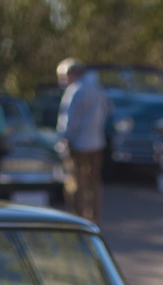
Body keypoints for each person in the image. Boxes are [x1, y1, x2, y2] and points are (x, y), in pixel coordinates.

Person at [56, 57, 111, 223]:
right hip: (97, 143)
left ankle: (78, 217)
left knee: (76, 181)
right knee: (94, 182)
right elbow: (108, 111)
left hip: (78, 144)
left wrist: (64, 139)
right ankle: (94, 215)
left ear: (72, 73)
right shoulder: (98, 89)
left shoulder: (75, 90)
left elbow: (69, 119)